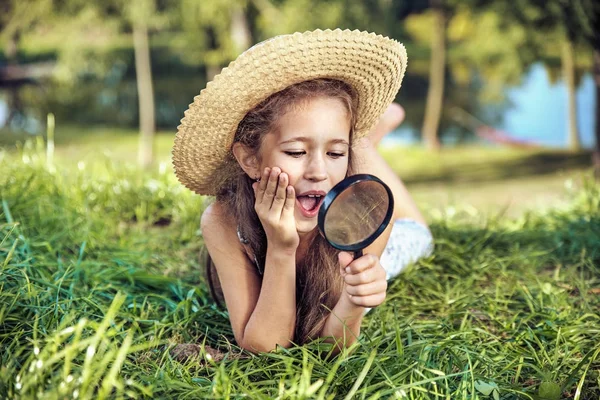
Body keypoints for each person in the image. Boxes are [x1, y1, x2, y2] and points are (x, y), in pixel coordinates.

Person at [172, 29, 433, 354]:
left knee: (421, 237)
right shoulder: (223, 220)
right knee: (339, 154)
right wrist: (281, 248)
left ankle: (363, 142)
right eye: (296, 153)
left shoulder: (365, 213)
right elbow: (267, 345)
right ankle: (362, 140)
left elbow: (331, 346)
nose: (319, 172)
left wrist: (354, 302)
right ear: (250, 159)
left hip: (380, 234)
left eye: (336, 154)